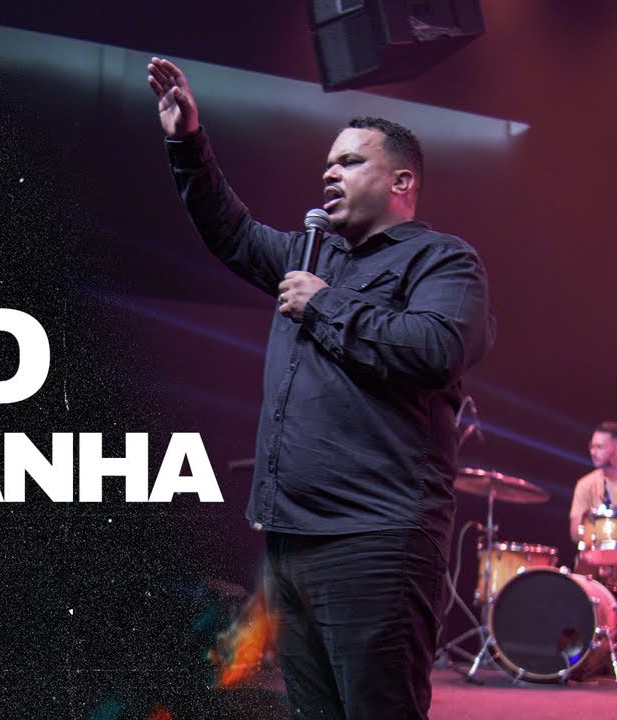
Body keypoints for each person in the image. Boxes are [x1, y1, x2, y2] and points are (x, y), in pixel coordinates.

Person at [147, 57, 495, 719]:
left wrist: (324, 304)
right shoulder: (312, 255)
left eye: (350, 162)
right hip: (290, 541)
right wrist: (187, 141)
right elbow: (230, 231)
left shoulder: (442, 260)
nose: (329, 173)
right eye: (327, 164)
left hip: (376, 539)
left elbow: (438, 349)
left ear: (401, 181)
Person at [569, 421, 617, 546]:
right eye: (592, 447)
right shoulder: (585, 484)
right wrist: (595, 531)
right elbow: (575, 533)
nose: (593, 452)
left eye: (599, 447)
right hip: (600, 552)